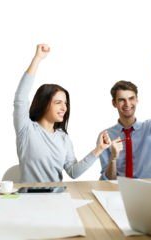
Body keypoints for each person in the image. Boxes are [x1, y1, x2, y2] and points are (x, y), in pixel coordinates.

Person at [13, 42, 112, 183]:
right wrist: (37, 58)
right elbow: (20, 99)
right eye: (58, 103)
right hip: (29, 198)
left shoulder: (65, 139)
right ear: (44, 103)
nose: (64, 109)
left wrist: (98, 150)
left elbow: (73, 173)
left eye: (65, 103)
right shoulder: (26, 129)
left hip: (56, 198)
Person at [96, 57, 151, 180]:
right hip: (122, 192)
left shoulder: (150, 126)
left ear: (137, 100)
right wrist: (113, 159)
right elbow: (107, 180)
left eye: (131, 98)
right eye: (122, 100)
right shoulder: (105, 135)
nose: (127, 104)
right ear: (114, 104)